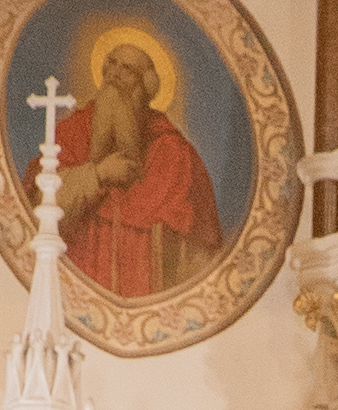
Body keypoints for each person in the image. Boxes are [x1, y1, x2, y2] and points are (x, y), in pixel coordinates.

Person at [51, 36, 225, 299]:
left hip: (147, 294)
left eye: (127, 70)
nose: (115, 74)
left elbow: (195, 242)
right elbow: (41, 203)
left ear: (144, 86)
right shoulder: (72, 131)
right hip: (72, 289)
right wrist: (97, 174)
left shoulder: (172, 148)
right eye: (111, 63)